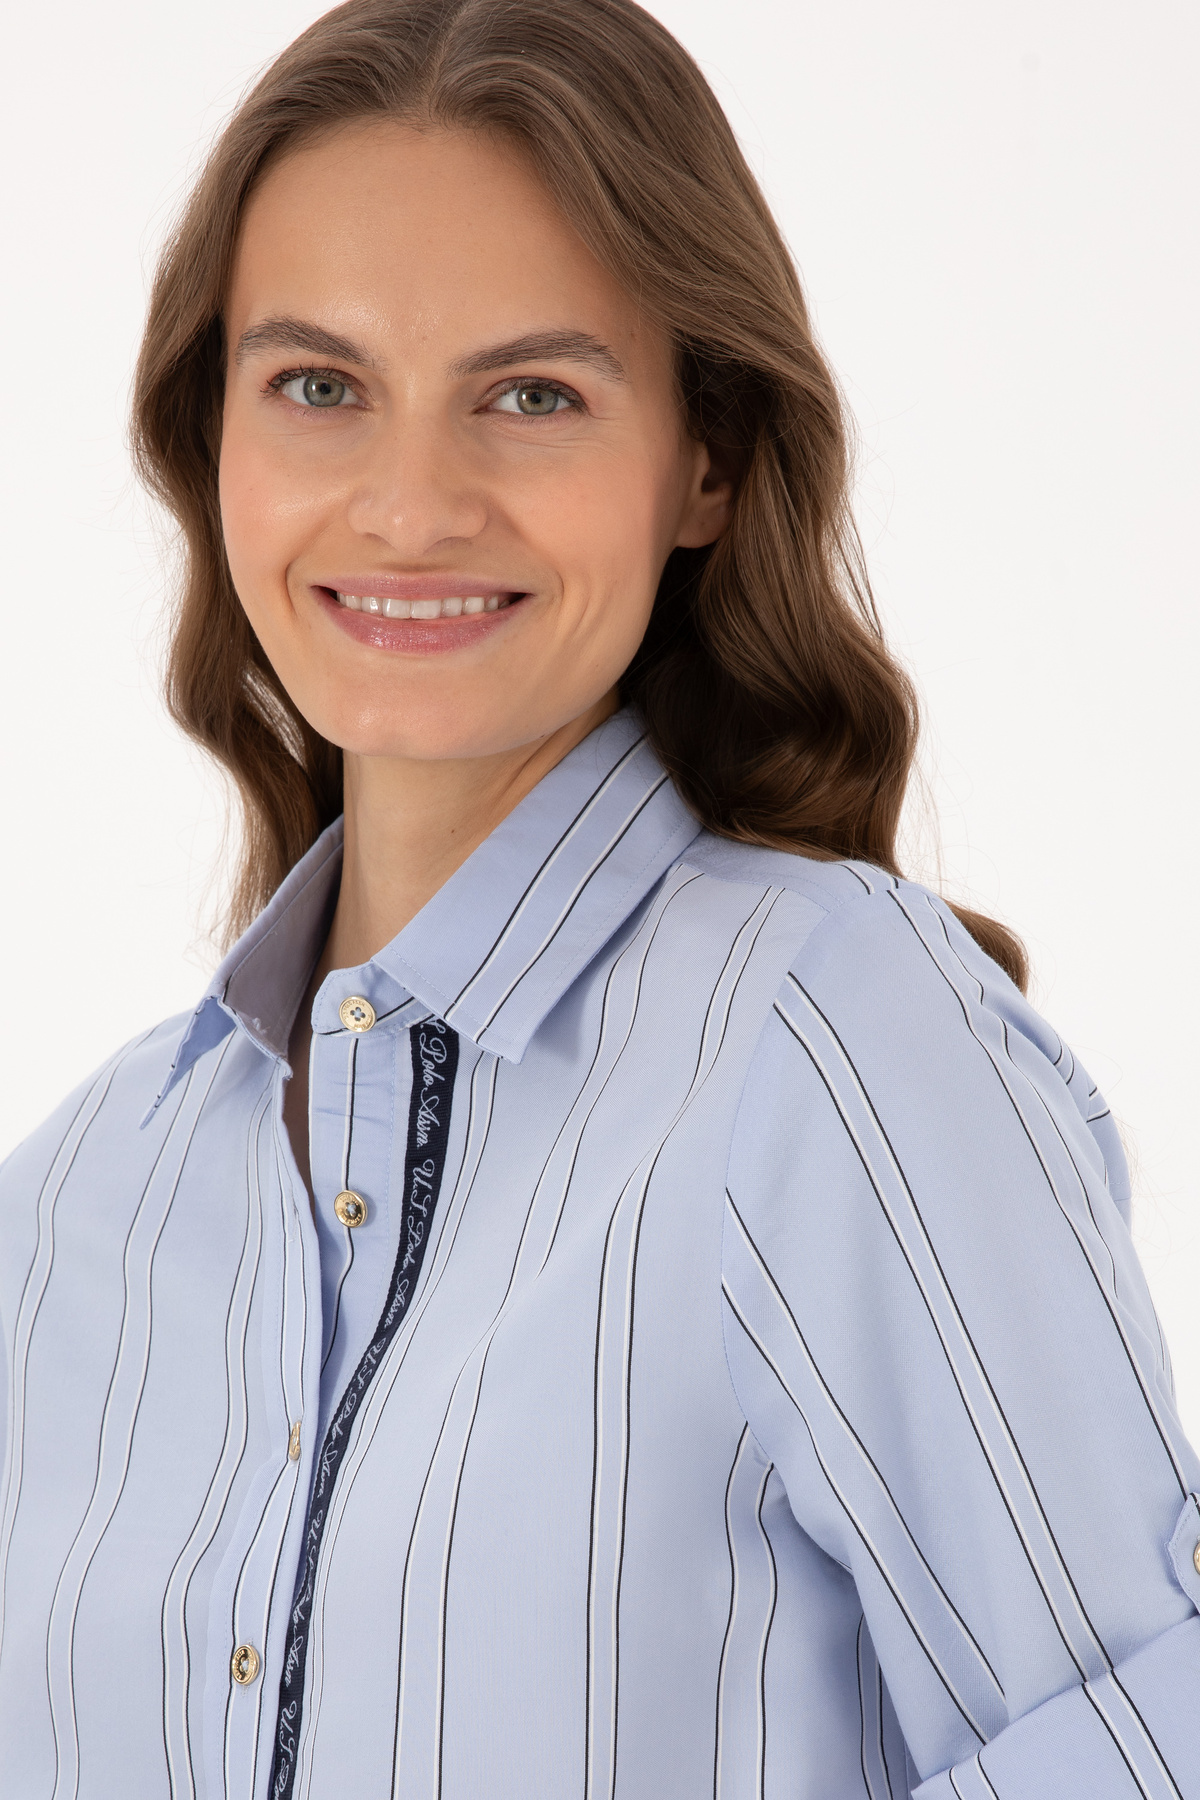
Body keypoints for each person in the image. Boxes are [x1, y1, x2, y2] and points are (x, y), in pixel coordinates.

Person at [1, 0, 1197, 1793]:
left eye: (532, 395)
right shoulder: (69, 1213)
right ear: (212, 437)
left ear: (704, 459)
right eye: (318, 386)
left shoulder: (833, 1043)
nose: (410, 506)